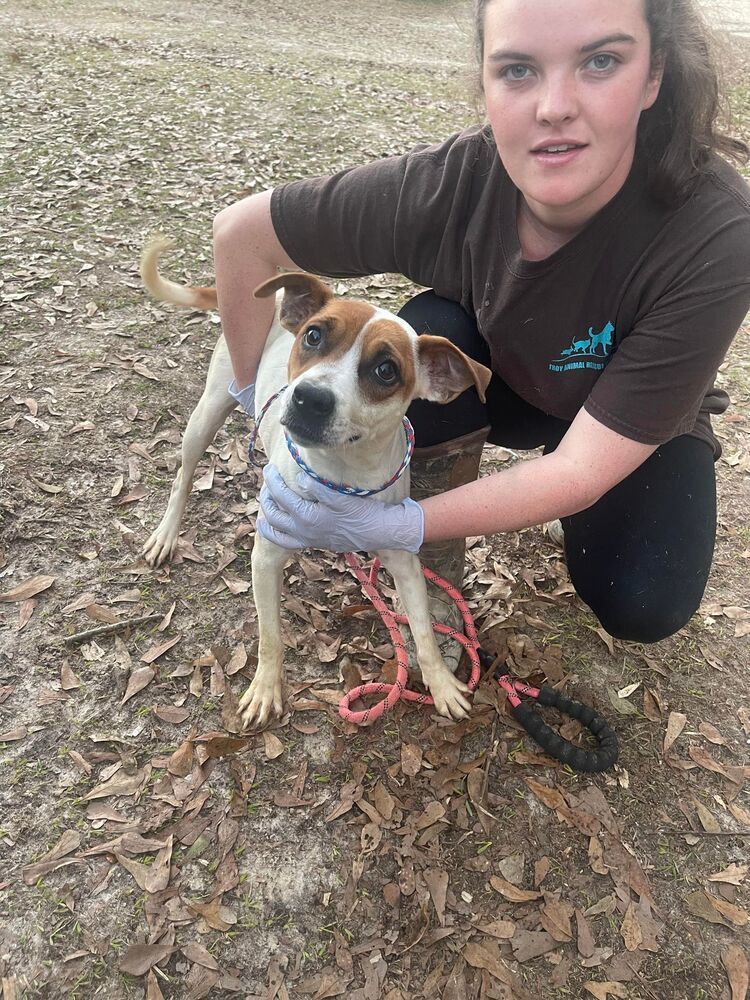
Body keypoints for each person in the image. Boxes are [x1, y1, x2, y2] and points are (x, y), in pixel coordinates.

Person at [213, 0, 750, 648]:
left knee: (643, 598)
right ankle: (437, 573)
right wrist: (256, 398)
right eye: (518, 69)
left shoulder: (716, 231)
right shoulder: (451, 184)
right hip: (504, 379)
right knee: (423, 334)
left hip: (630, 418)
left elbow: (580, 470)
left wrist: (396, 525)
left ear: (654, 73)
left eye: (601, 61)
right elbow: (240, 235)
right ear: (486, 82)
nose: (554, 106)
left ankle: (444, 522)